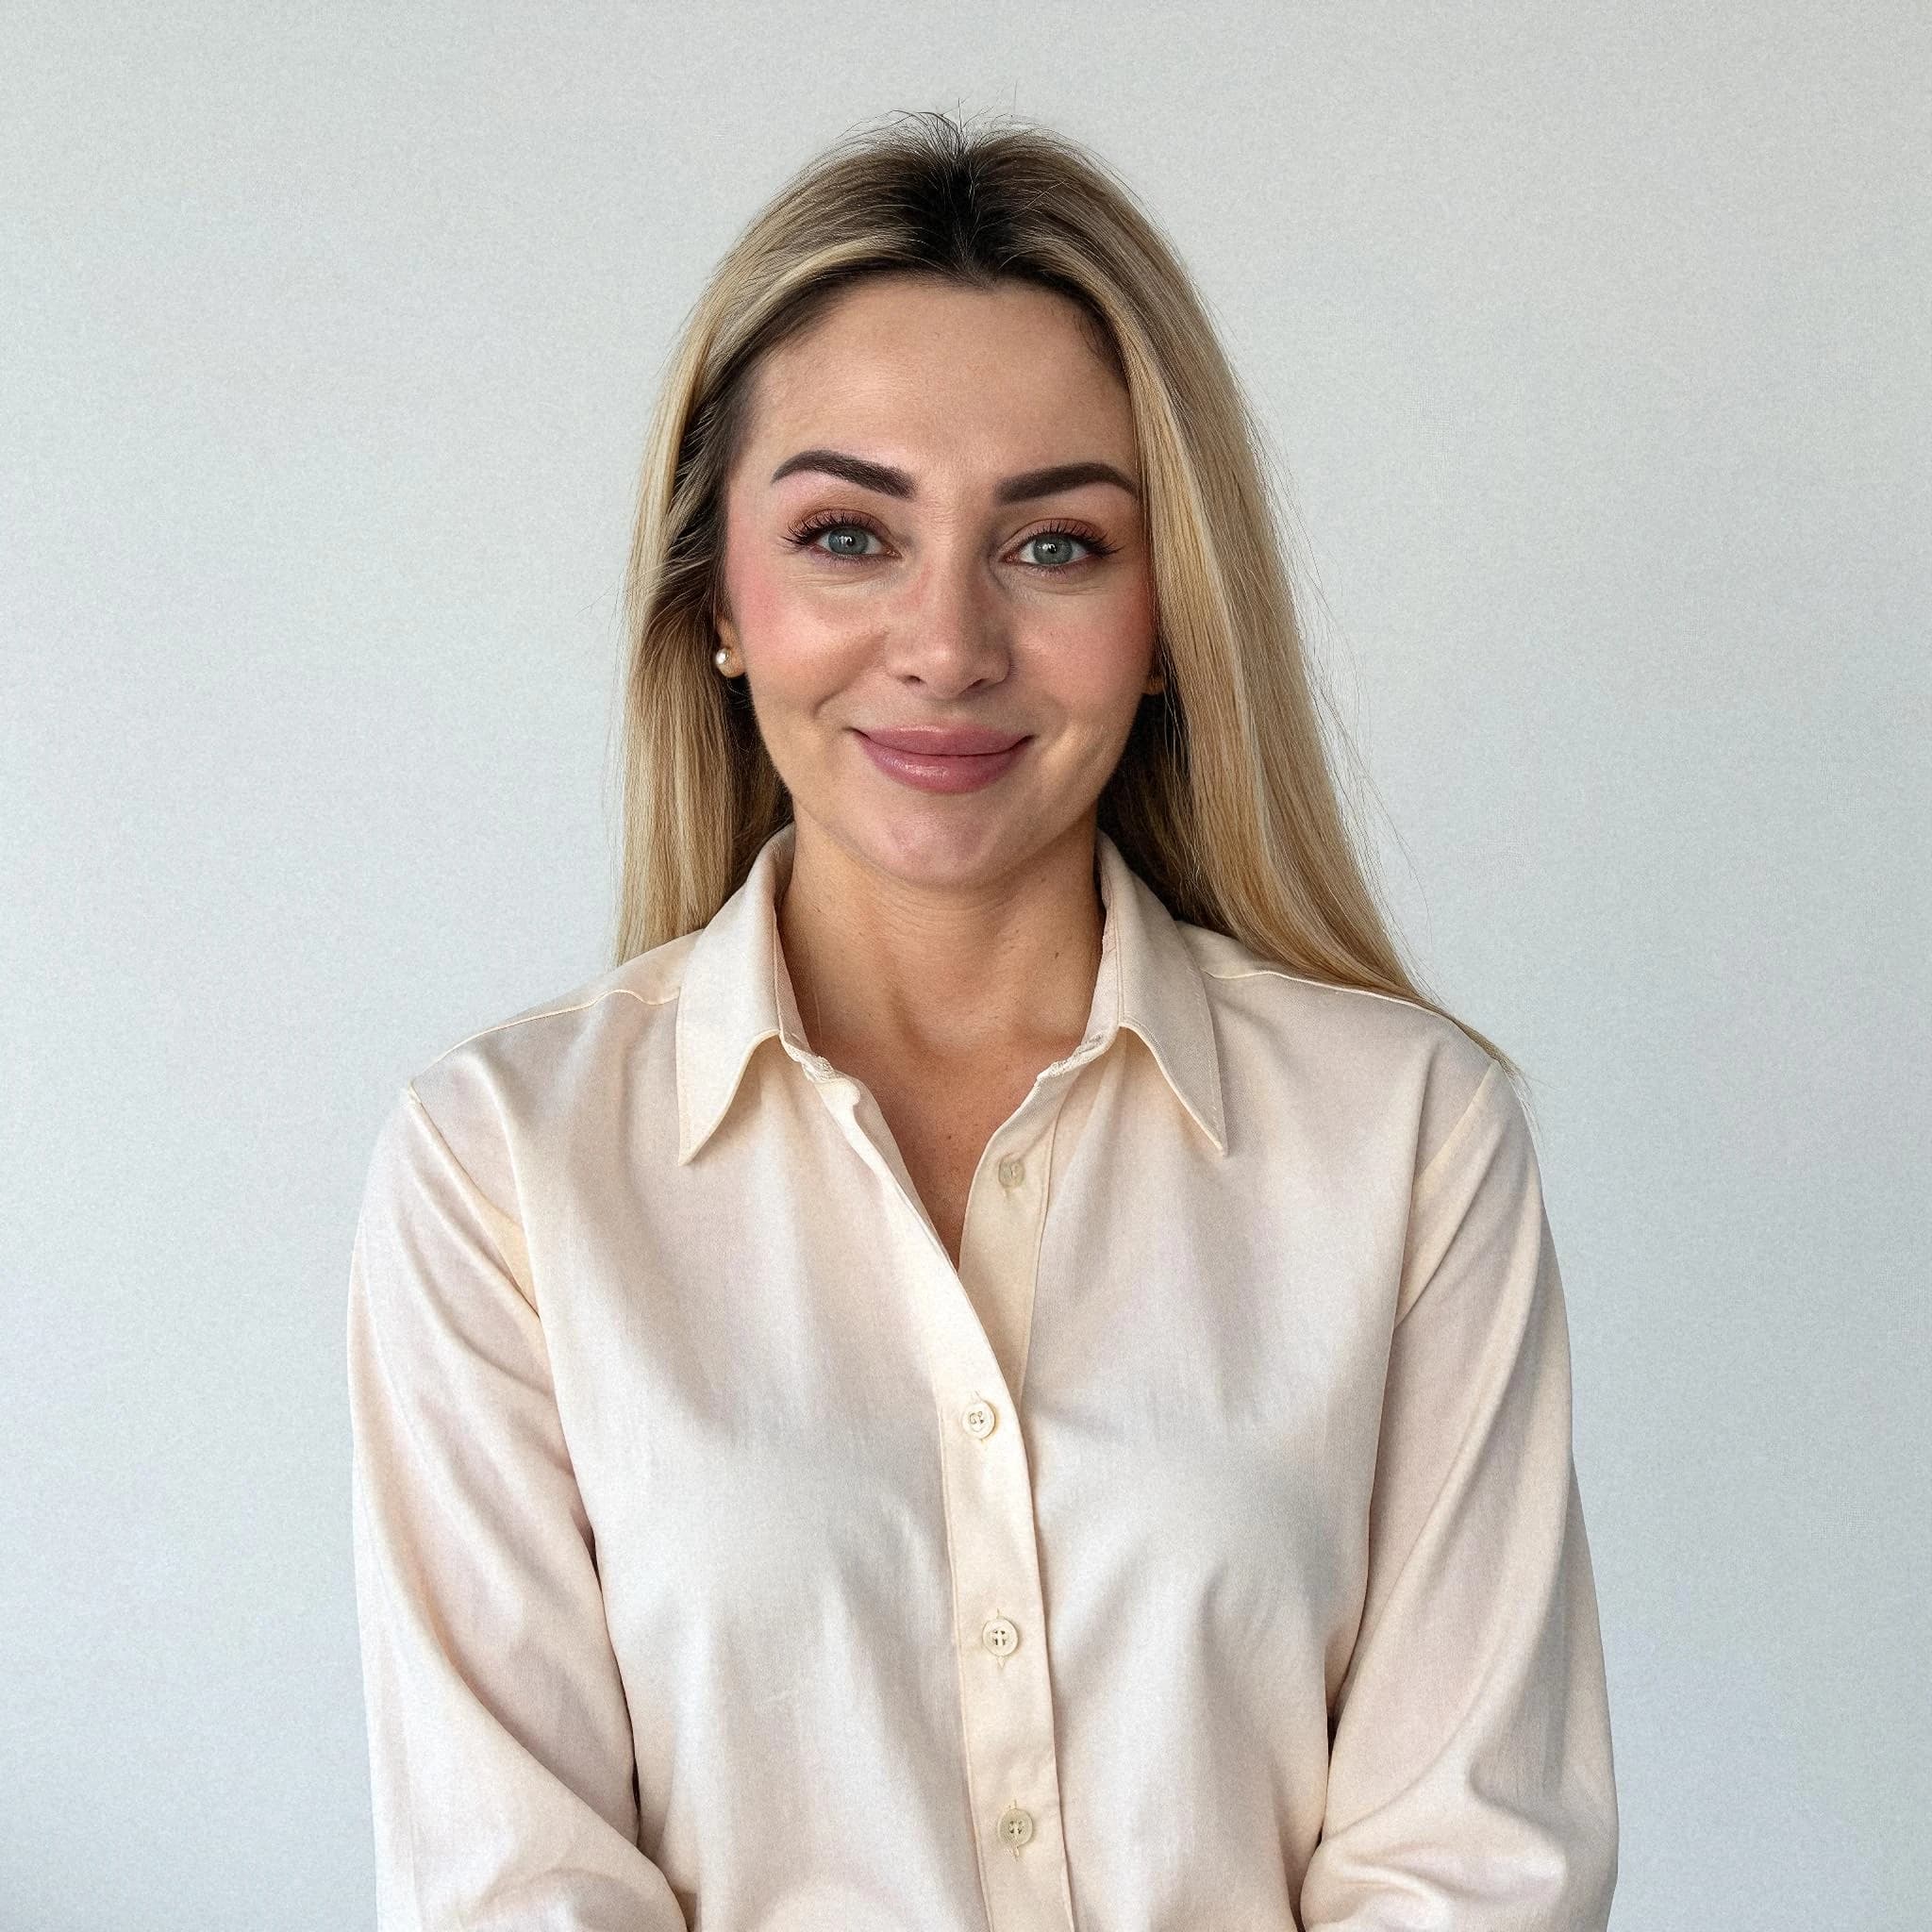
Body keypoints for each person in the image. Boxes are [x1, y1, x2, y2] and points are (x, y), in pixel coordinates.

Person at [346, 108, 1618, 1930]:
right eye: (851, 532)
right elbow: (515, 1886)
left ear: (1172, 614)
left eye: (1056, 548)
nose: (946, 645)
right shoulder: (501, 1168)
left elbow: (1476, 1865)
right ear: (719, 593)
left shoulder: (1411, 1140)